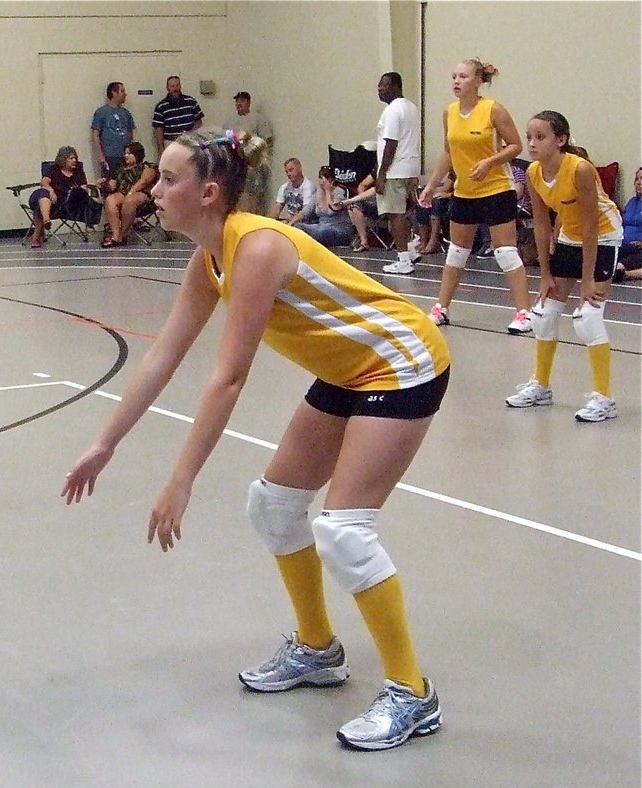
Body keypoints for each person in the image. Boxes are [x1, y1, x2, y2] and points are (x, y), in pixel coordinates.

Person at [61, 128, 451, 752]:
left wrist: (181, 479)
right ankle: (319, 649)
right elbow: (164, 353)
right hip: (349, 369)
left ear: (209, 192)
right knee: (274, 506)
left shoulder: (259, 249)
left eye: (167, 179)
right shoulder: (208, 257)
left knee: (345, 530)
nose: (153, 190)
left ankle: (412, 692)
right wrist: (106, 443)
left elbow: (228, 377)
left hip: (400, 362)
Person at [505, 111, 623, 422]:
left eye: (540, 137)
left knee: (587, 317)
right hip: (570, 235)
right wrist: (544, 275)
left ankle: (604, 399)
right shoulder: (533, 172)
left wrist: (586, 281)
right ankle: (541, 387)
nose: (532, 143)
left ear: (561, 140)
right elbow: (542, 224)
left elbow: (591, 227)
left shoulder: (580, 170)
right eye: (529, 137)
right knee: (543, 314)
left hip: (603, 235)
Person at [419, 59, 533, 334]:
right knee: (457, 252)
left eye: (463, 76)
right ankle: (442, 308)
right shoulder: (449, 112)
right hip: (465, 192)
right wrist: (433, 185)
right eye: (454, 76)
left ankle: (523, 314)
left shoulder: (493, 110)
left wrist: (489, 162)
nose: (457, 81)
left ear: (478, 80)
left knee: (505, 252)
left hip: (497, 189)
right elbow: (448, 152)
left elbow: (516, 146)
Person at [375, 72, 421, 275]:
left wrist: (381, 173)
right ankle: (411, 249)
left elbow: (390, 143)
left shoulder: (393, 110)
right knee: (406, 212)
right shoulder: (411, 107)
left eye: (383, 86)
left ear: (395, 86)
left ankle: (403, 259)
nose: (379, 89)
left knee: (396, 215)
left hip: (395, 170)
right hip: (410, 167)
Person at [96, 142, 158, 248]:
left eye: (129, 153)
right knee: (110, 199)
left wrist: (130, 192)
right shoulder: (120, 169)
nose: (126, 156)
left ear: (137, 155)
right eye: (125, 153)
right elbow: (112, 186)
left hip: (142, 195)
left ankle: (122, 235)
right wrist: (104, 183)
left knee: (130, 200)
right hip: (123, 194)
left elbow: (144, 181)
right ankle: (116, 236)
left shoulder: (147, 166)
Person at [27, 146, 89, 249]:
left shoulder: (78, 172)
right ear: (63, 159)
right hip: (50, 201)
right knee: (43, 192)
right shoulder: (54, 169)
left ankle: (37, 235)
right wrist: (51, 191)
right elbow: (44, 182)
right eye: (71, 158)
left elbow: (84, 189)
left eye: (75, 158)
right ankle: (46, 220)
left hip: (65, 205)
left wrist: (79, 192)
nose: (75, 161)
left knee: (40, 206)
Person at [223, 92, 274, 214]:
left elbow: (267, 139)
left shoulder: (258, 119)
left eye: (242, 101)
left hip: (253, 162)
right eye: (237, 101)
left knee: (254, 193)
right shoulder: (229, 122)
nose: (239, 103)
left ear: (249, 102)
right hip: (236, 163)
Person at [294, 166, 355, 247]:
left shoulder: (339, 191)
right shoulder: (318, 193)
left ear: (331, 180)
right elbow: (305, 211)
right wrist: (290, 223)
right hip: (321, 226)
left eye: (326, 178)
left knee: (323, 231)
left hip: (339, 229)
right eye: (321, 177)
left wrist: (328, 191)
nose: (322, 181)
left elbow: (333, 210)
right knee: (298, 227)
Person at [91, 82, 136, 179]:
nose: (125, 94)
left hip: (125, 157)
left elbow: (131, 133)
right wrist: (101, 157)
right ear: (114, 93)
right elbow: (95, 135)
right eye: (122, 91)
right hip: (109, 156)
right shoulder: (101, 112)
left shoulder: (126, 113)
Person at [152, 76, 204, 156]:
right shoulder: (161, 106)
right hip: (171, 143)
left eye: (177, 85)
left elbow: (198, 121)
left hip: (189, 142)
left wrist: (189, 134)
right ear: (167, 88)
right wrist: (161, 147)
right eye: (172, 86)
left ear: (180, 86)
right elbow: (159, 129)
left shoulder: (191, 101)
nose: (175, 89)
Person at [332, 170, 380, 252]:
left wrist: (349, 200)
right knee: (354, 206)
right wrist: (362, 198)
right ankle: (363, 241)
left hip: (390, 204)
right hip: (374, 203)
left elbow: (376, 190)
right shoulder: (377, 170)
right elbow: (363, 184)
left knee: (352, 202)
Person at [612, 166, 642, 282]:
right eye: (637, 179)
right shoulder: (632, 202)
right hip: (623, 244)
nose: (639, 183)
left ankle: (622, 272)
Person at [268, 158, 316, 226]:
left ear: (299, 168)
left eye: (291, 170)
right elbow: (277, 207)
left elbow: (306, 212)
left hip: (306, 224)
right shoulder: (284, 187)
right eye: (286, 172)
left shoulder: (308, 187)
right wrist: (270, 222)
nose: (289, 174)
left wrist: (290, 223)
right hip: (290, 222)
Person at [415, 172, 454, 255]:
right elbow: (445, 188)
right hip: (449, 198)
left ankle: (433, 241)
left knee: (438, 203)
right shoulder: (454, 171)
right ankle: (423, 240)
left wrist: (448, 195)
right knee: (425, 202)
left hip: (460, 199)